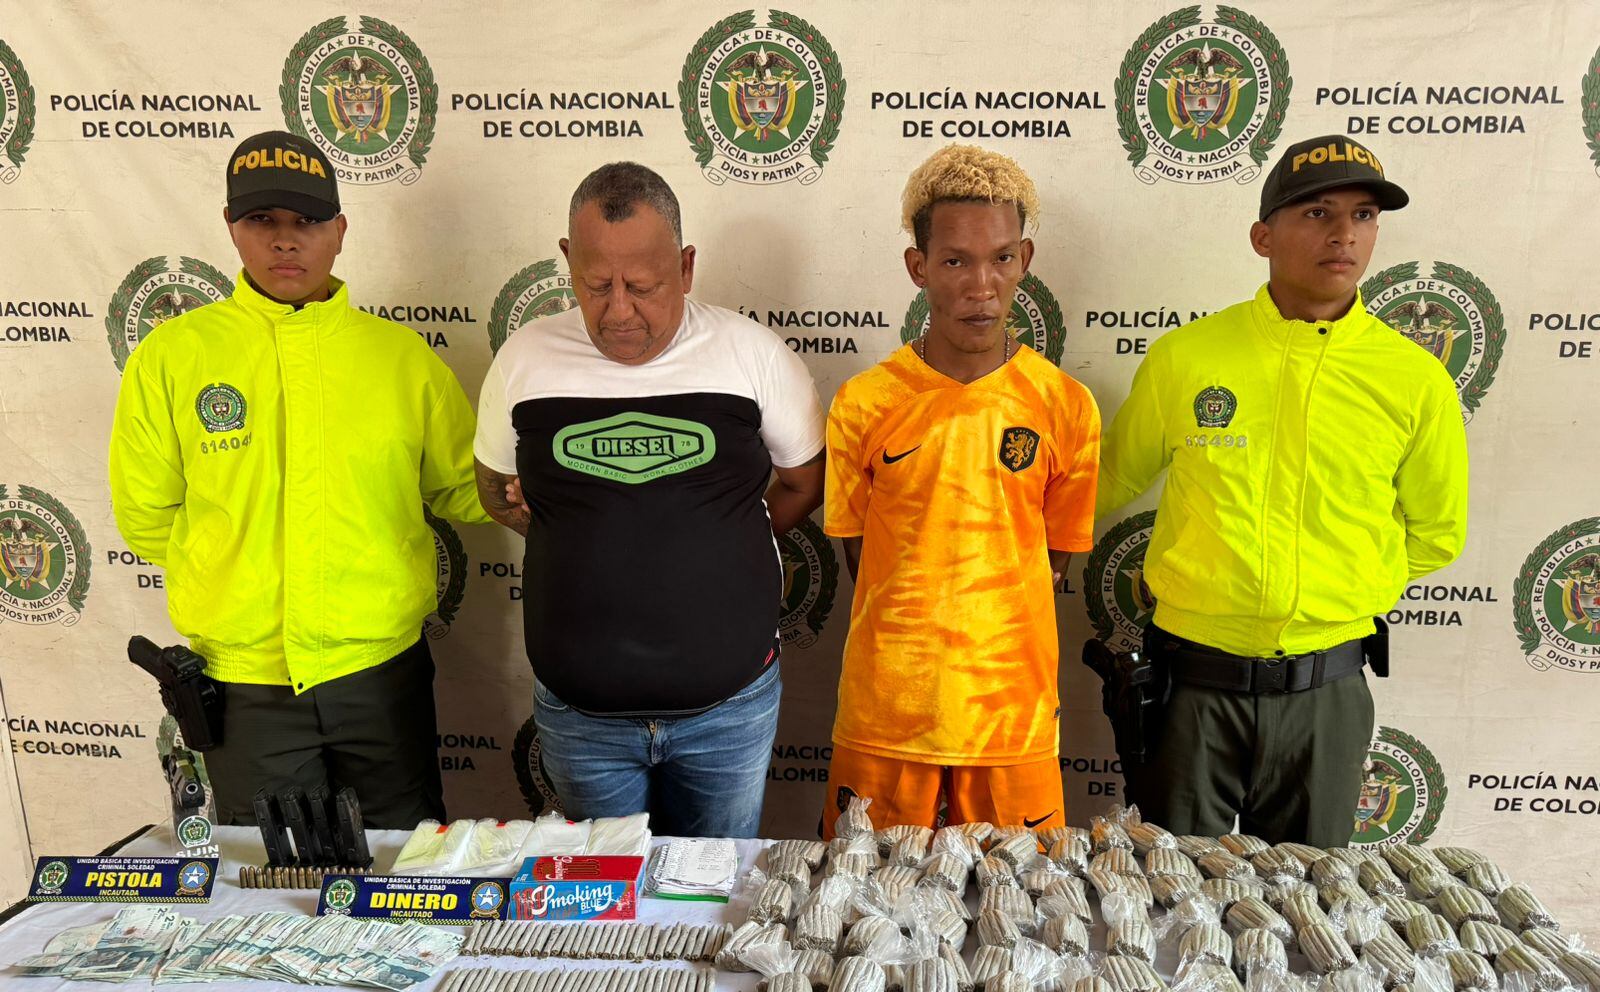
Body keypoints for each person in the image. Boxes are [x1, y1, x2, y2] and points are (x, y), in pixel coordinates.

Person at [1095, 134, 1469, 847]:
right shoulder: (1188, 357)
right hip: (1191, 690)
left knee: (1304, 912)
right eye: (1318, 213)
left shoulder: (1414, 379)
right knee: (1170, 902)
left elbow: (1437, 532)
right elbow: (1111, 479)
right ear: (1263, 236)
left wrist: (1341, 587)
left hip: (1326, 697)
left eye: (1363, 216)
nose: (1343, 235)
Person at [109, 131, 486, 827]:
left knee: (404, 883)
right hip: (246, 686)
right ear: (231, 227)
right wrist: (240, 584)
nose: (286, 242)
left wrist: (559, 492)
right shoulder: (172, 359)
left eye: (307, 223)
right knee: (276, 900)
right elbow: (148, 516)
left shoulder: (401, 360)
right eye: (263, 221)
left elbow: (464, 487)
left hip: (381, 676)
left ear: (340, 231)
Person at [473, 161, 825, 838]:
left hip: (729, 712)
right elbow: (496, 491)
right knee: (605, 912)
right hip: (580, 720)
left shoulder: (752, 356)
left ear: (687, 267)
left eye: (644, 286)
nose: (618, 310)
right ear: (568, 261)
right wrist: (581, 544)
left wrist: (725, 544)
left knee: (711, 902)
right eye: (596, 285)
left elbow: (803, 482)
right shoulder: (525, 360)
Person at [821, 144, 1101, 837]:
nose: (982, 284)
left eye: (1002, 258)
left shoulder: (1066, 406)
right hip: (887, 717)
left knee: (1024, 920)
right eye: (955, 261)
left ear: (1025, 260)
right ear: (919, 268)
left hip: (1013, 722)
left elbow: (1052, 558)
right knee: (860, 916)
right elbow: (860, 554)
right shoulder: (864, 403)